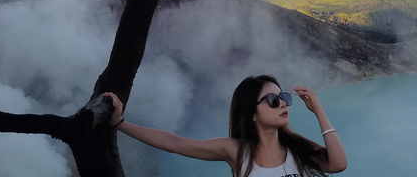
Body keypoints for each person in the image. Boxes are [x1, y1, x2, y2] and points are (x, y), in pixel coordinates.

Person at [103, 75, 347, 177]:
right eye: (274, 100)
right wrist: (120, 123)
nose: (283, 103)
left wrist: (319, 111)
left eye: (284, 97)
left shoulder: (296, 147)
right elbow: (173, 143)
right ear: (252, 113)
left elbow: (337, 164)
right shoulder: (237, 151)